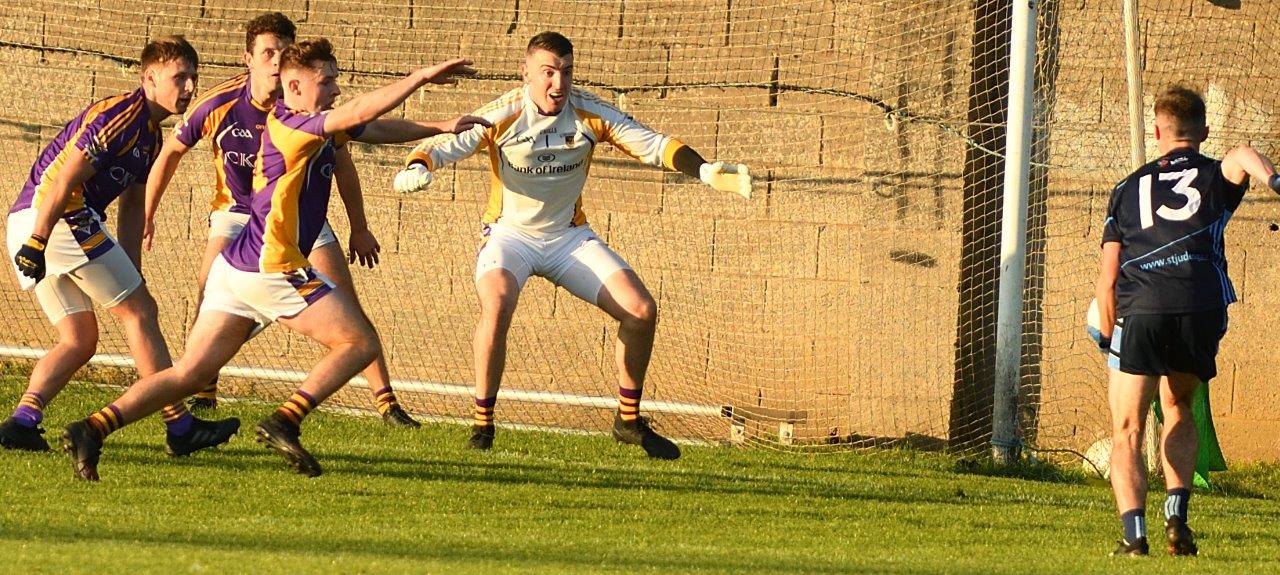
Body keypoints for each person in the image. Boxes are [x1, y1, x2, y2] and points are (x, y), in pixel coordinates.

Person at [60, 39, 491, 480]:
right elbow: (360, 112)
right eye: (327, 81)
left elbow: (372, 128)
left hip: (239, 267)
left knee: (190, 373)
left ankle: (92, 428)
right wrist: (419, 77)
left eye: (336, 79)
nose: (336, 89)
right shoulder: (291, 125)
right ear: (295, 85)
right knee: (359, 342)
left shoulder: (314, 122)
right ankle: (286, 420)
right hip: (272, 266)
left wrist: (439, 126)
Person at [393, 31, 752, 459]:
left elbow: (655, 146)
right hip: (509, 235)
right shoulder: (504, 114)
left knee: (641, 311)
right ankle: (483, 426)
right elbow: (444, 143)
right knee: (499, 301)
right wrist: (418, 165)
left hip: (568, 236)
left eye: (565, 72)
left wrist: (706, 170)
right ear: (525, 73)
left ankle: (628, 421)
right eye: (548, 72)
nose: (557, 84)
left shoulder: (589, 112)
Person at [143, 12, 419, 427]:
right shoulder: (218, 104)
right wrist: (148, 214)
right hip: (236, 213)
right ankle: (204, 395)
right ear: (248, 58)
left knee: (347, 306)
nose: (275, 60)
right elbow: (170, 153)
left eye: (282, 52)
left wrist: (359, 226)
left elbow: (344, 161)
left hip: (298, 217)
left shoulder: (306, 106)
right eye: (267, 52)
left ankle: (386, 403)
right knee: (207, 294)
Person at [2, 36, 240, 457]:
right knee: (141, 312)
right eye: (178, 77)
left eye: (193, 78)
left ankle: (21, 422)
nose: (188, 88)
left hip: (37, 223)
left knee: (79, 338)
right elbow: (63, 181)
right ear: (148, 79)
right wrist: (37, 242)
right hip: (54, 220)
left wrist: (131, 269)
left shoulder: (148, 134)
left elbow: (132, 203)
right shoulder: (122, 116)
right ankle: (179, 425)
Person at [1096, 85, 1280, 556]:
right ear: (1203, 132)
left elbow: (1106, 281)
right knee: (1178, 408)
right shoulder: (1216, 175)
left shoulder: (1125, 189)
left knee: (1128, 428)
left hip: (1142, 310)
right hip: (1200, 307)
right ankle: (1176, 520)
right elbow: (1241, 155)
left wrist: (1110, 340)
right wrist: (1273, 179)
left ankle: (1134, 536)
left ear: (1156, 130)